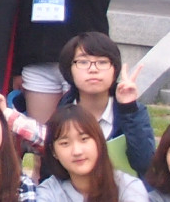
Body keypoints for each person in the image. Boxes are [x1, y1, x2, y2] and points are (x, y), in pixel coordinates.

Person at [57, 32, 157, 173]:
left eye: (102, 62)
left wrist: (128, 109)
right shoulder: (61, 113)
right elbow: (52, 169)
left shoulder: (134, 111)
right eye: (83, 62)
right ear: (69, 70)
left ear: (114, 69)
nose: (93, 69)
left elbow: (145, 163)